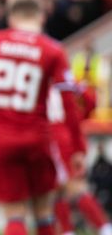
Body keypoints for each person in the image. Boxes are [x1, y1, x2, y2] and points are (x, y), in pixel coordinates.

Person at [0, 0, 86, 235]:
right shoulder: (53, 49)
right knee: (44, 213)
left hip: (2, 142)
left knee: (15, 215)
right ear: (41, 17)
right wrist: (78, 148)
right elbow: (69, 104)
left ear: (10, 17)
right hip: (38, 139)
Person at [49, 85, 112, 235]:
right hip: (72, 138)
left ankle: (104, 228)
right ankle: (72, 230)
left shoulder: (53, 83)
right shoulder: (69, 85)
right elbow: (90, 103)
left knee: (71, 188)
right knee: (60, 189)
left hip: (56, 138)